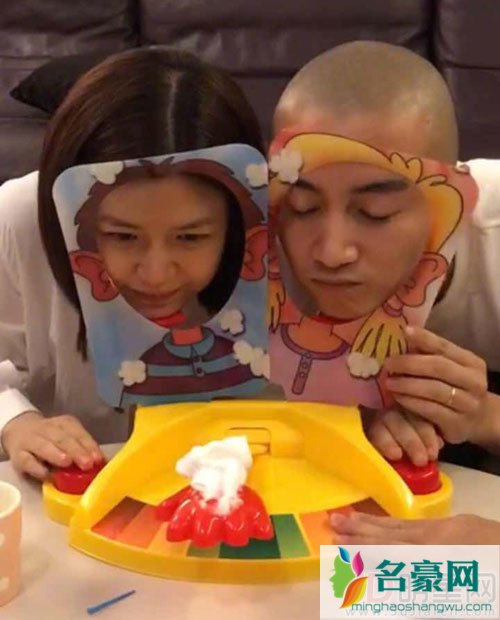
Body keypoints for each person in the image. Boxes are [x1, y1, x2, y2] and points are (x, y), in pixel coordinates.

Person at [271, 41, 500, 543]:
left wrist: (485, 416)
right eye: (304, 208)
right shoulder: (253, 249)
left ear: (448, 205)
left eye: (375, 214)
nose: (331, 252)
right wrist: (349, 420)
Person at [0, 47, 265, 480]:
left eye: (190, 237)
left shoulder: (276, 245)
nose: (156, 274)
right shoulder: (19, 218)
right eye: (122, 236)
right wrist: (15, 421)